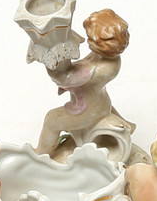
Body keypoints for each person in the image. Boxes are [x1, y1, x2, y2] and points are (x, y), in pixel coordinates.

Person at [35, 9, 135, 159]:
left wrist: (50, 59)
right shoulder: (106, 57)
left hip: (89, 110)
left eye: (90, 38)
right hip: (100, 102)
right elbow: (79, 67)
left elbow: (63, 78)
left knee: (51, 120)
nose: (87, 41)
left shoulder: (99, 69)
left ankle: (39, 156)